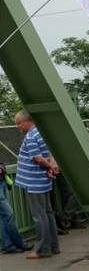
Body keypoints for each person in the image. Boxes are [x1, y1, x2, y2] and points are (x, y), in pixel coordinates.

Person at [14, 110, 59, 259]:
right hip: (43, 181)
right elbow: (50, 153)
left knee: (39, 216)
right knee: (47, 213)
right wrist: (52, 166)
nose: (17, 126)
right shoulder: (41, 132)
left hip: (34, 182)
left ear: (27, 121)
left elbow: (38, 158)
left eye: (18, 123)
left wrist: (49, 167)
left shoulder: (31, 136)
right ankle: (54, 246)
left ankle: (42, 250)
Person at [0, 162, 32, 254]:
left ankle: (8, 245)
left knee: (4, 218)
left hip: (2, 182)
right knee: (9, 216)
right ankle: (20, 243)